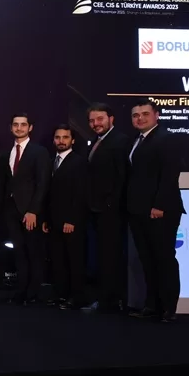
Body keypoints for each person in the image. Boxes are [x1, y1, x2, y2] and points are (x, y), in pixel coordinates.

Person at [124, 99, 185, 323]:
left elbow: (170, 174)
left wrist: (159, 205)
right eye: (135, 115)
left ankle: (169, 308)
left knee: (164, 259)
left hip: (160, 211)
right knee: (147, 260)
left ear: (156, 115)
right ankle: (152, 305)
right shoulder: (137, 140)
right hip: (139, 210)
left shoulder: (166, 138)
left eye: (145, 114)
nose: (140, 118)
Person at [0, 113, 49, 305]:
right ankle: (21, 290)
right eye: (15, 125)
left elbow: (43, 183)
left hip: (30, 211)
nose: (19, 128)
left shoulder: (39, 152)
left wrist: (33, 211)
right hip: (11, 210)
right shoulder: (7, 153)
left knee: (33, 252)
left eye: (23, 125)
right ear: (11, 127)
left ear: (30, 127)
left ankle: (33, 292)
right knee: (19, 251)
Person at [85, 103, 130, 313]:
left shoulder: (120, 141)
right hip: (97, 210)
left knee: (111, 257)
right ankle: (106, 299)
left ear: (111, 119)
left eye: (100, 119)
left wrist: (112, 204)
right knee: (103, 256)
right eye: (92, 120)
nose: (96, 123)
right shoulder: (98, 141)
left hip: (111, 211)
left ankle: (110, 301)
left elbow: (121, 177)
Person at [43, 125, 89, 309]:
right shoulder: (50, 161)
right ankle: (60, 294)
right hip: (53, 220)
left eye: (65, 137)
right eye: (58, 137)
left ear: (73, 140)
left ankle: (76, 297)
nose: (61, 141)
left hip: (72, 221)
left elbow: (81, 194)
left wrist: (72, 219)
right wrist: (46, 219)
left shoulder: (79, 162)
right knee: (58, 260)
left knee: (74, 260)